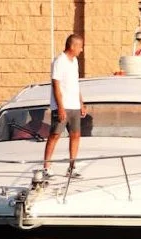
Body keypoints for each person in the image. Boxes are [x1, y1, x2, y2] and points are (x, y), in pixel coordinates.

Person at [43, 34, 86, 178]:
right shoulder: (59, 61)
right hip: (62, 105)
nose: (81, 50)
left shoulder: (74, 62)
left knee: (75, 135)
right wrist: (60, 107)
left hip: (74, 105)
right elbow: (56, 85)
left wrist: (81, 103)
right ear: (73, 46)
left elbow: (75, 84)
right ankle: (47, 167)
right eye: (80, 46)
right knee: (55, 134)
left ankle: (72, 167)